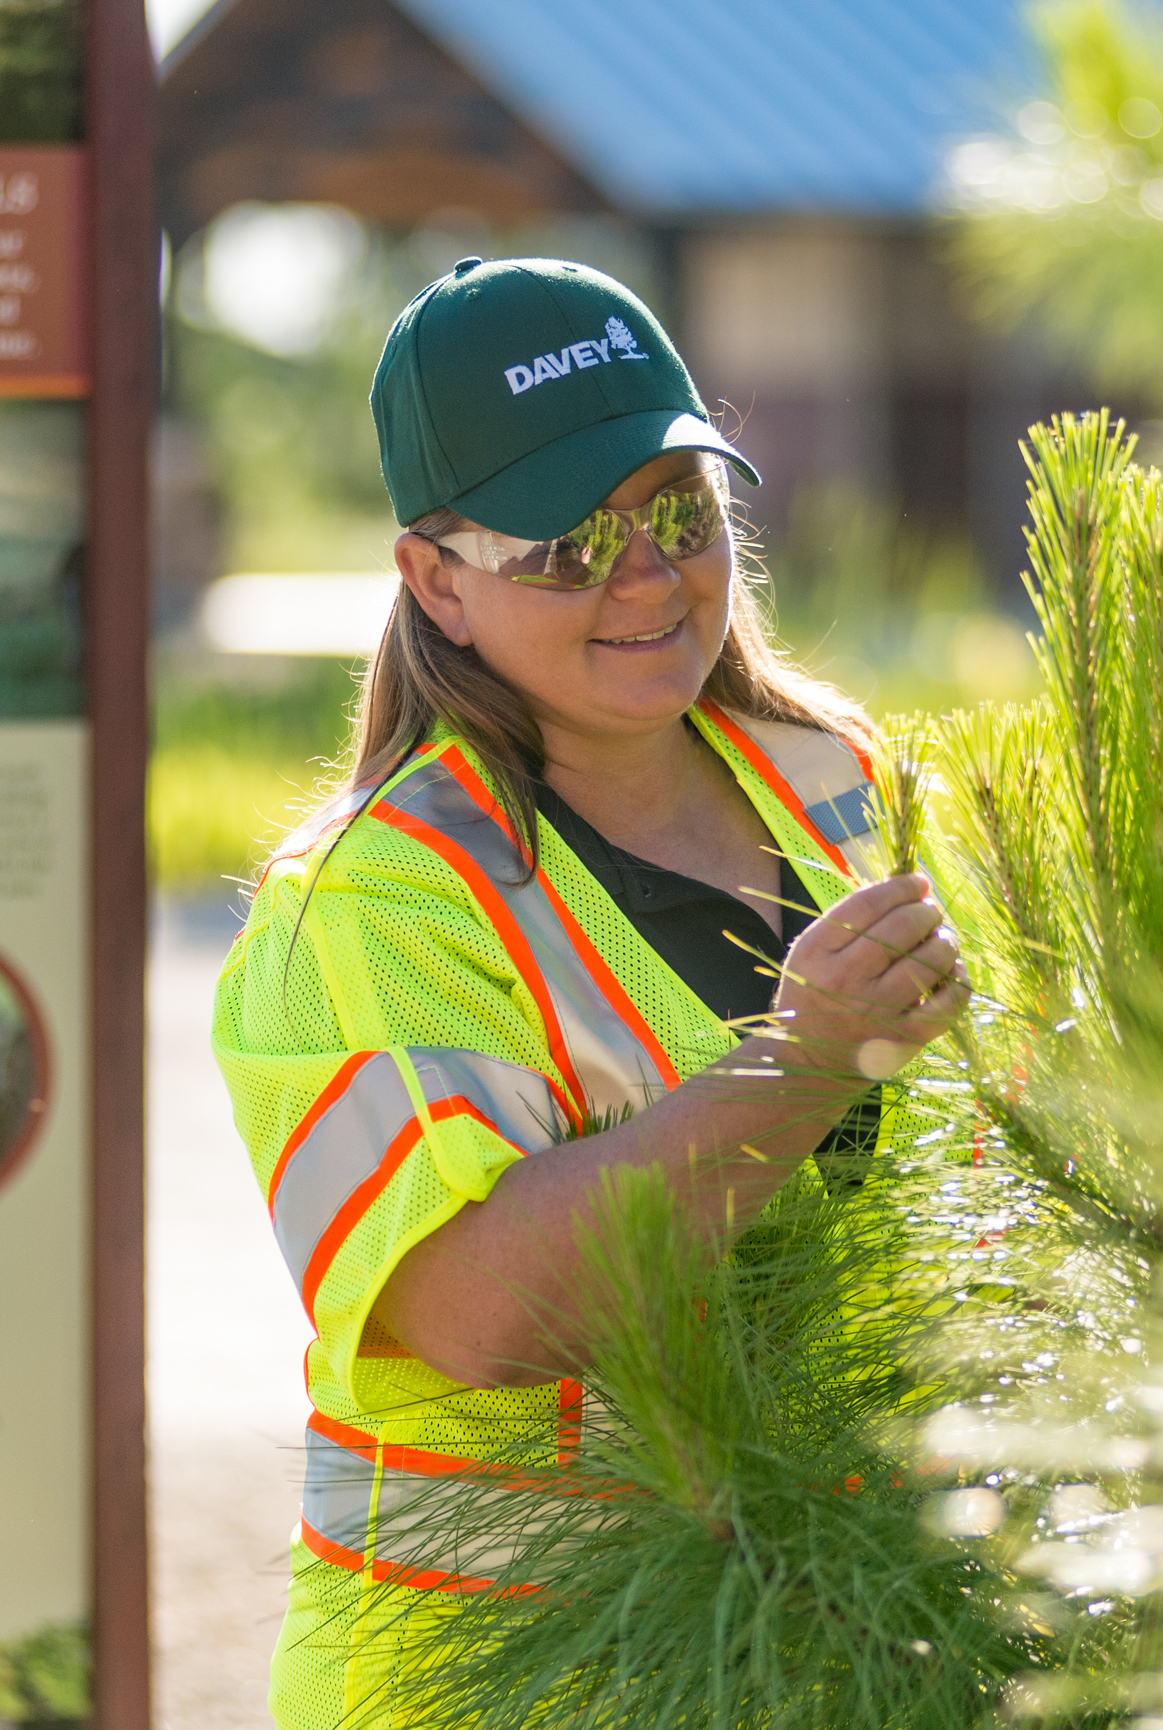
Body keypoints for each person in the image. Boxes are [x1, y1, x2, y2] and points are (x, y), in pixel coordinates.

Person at [210, 257, 969, 1728]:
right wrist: (800, 1064)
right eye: (562, 543)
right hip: (490, 1680)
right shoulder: (375, 898)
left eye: (675, 514)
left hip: (829, 1656)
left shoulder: (844, 785)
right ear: (435, 577)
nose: (642, 578)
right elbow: (486, 1314)